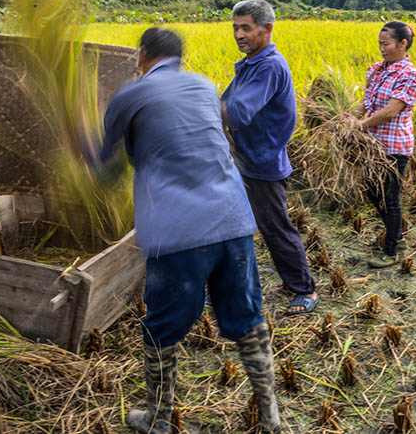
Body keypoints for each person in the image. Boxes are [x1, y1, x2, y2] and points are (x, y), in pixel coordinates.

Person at [95, 28, 281, 434]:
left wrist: (78, 137)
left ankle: (159, 419)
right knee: (247, 319)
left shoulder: (130, 94)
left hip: (177, 229)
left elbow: (105, 168)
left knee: (162, 327)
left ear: (141, 55)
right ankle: (270, 415)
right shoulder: (203, 84)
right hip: (232, 219)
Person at [221, 0, 319, 317]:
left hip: (261, 162)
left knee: (275, 228)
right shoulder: (250, 64)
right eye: (235, 27)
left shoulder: (269, 66)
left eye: (246, 28)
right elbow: (224, 101)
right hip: (240, 159)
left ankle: (305, 289)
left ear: (267, 29)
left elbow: (237, 110)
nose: (238, 34)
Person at [345, 21, 416, 268]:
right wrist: (349, 118)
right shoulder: (377, 70)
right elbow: (367, 103)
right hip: (371, 146)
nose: (382, 49)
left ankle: (391, 252)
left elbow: (391, 111)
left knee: (390, 198)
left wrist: (359, 126)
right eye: (380, 44)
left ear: (402, 44)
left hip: (394, 146)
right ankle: (396, 237)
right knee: (372, 192)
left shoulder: (409, 75)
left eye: (386, 44)